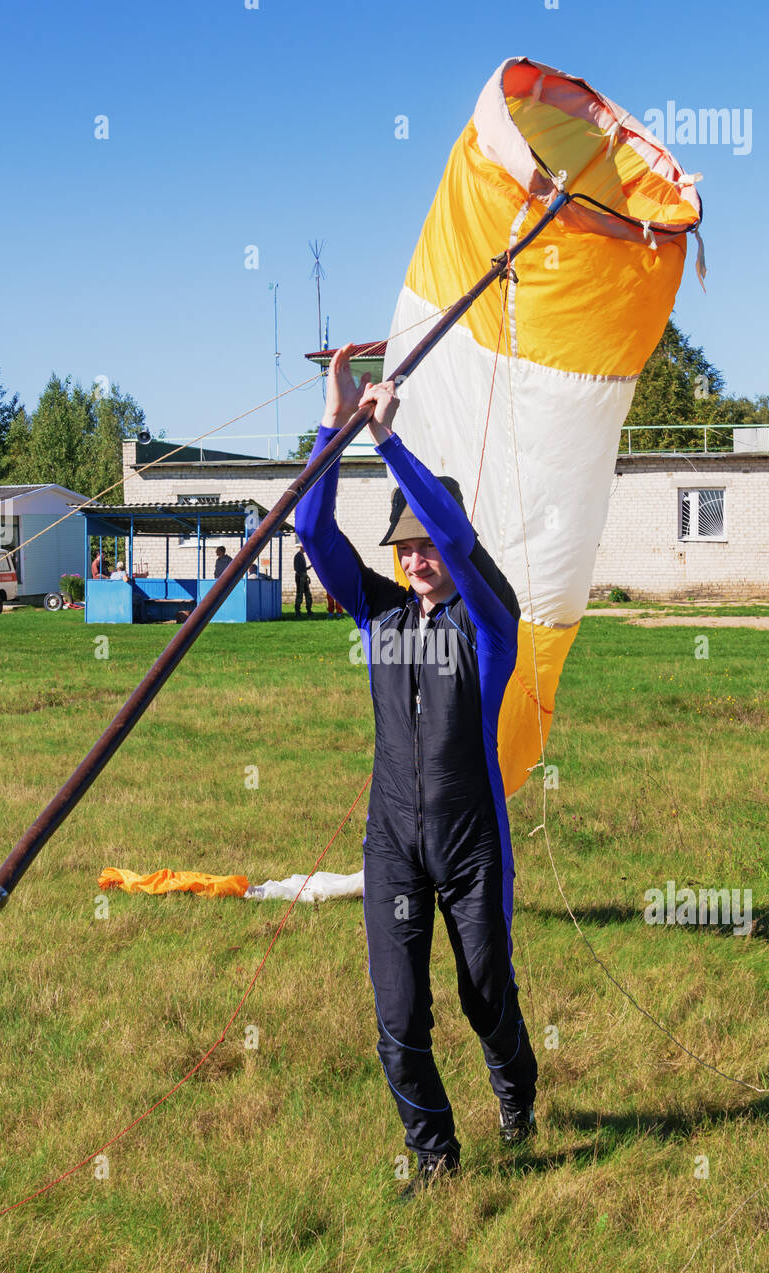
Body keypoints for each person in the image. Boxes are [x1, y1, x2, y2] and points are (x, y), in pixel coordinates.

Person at [295, 343, 538, 1199]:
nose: (415, 556)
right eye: (405, 545)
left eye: (426, 543)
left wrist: (390, 442)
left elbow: (464, 542)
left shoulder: (489, 622)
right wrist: (336, 424)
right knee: (398, 1018)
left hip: (472, 846)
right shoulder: (379, 613)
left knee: (482, 996)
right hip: (392, 841)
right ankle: (433, 1154)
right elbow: (310, 531)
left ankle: (516, 1092)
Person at [293, 545, 313, 616]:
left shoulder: (302, 556)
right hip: (300, 578)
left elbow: (303, 568)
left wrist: (308, 567)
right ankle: (297, 611)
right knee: (299, 594)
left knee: (308, 594)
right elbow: (297, 568)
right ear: (301, 548)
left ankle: (309, 610)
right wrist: (303, 573)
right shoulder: (297, 556)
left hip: (304, 577)